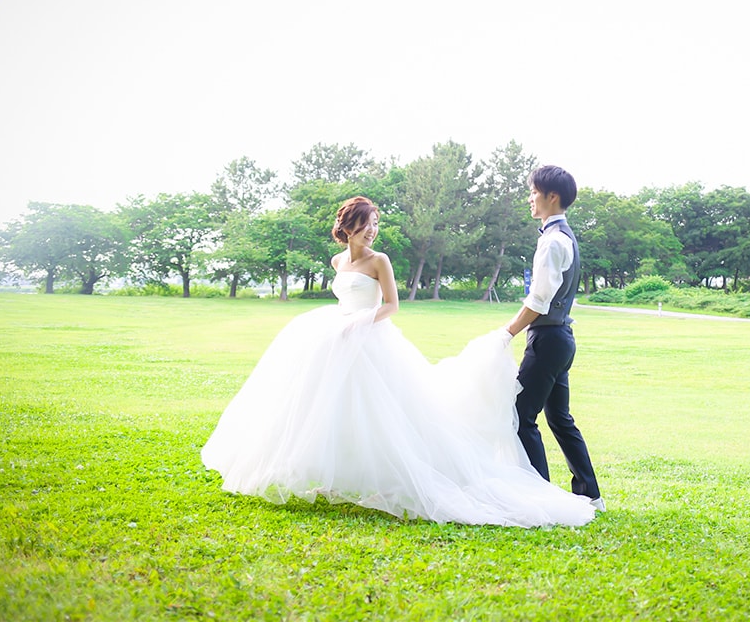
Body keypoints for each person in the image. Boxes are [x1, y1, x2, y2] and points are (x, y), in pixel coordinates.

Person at [201, 196, 595, 528]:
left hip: (371, 339)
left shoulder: (380, 261)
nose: (371, 230)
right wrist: (342, 325)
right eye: (365, 223)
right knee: (326, 406)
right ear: (347, 226)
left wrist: (358, 323)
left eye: (374, 224)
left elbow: (392, 305)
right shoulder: (338, 263)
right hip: (335, 338)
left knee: (385, 413)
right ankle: (329, 475)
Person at [501, 166, 604, 513]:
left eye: (533, 191)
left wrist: (508, 332)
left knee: (520, 415)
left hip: (547, 340)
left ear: (551, 197)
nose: (530, 198)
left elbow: (538, 300)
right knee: (559, 418)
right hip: (562, 338)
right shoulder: (564, 236)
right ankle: (590, 495)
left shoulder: (552, 241)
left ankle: (539, 495)